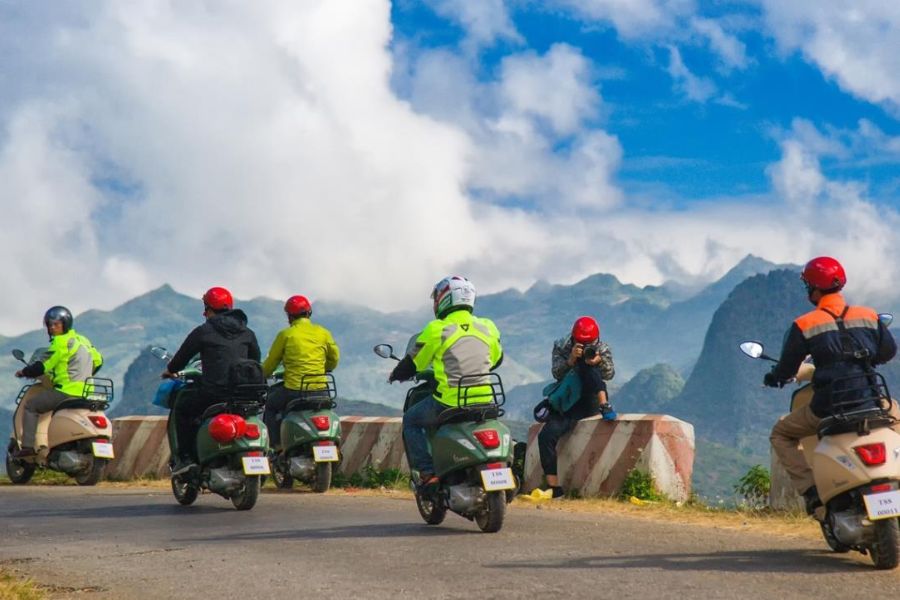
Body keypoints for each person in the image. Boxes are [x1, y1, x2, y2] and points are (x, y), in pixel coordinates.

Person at [765, 256, 899, 515]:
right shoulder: (869, 316)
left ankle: (812, 491)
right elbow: (888, 351)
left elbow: (787, 368)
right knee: (896, 417)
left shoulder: (804, 324)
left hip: (827, 407)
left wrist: (775, 377)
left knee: (781, 434)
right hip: (872, 400)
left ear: (813, 289)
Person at [389, 276, 503, 487]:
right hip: (486, 399)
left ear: (444, 300)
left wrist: (396, 374)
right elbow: (496, 359)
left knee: (411, 421)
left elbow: (414, 363)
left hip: (450, 402)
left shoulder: (437, 329)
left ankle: (427, 472)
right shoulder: (488, 326)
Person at [161, 286, 261, 473]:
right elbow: (256, 361)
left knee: (182, 407)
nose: (204, 313)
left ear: (209, 309)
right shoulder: (247, 332)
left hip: (214, 392)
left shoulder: (204, 331)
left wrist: (170, 371)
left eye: (205, 308)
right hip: (244, 394)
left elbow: (182, 357)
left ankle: (186, 458)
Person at [538, 316, 616, 498]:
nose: (587, 346)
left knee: (590, 369)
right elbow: (556, 374)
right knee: (546, 436)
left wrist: (598, 362)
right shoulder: (561, 346)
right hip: (568, 400)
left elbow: (610, 374)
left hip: (590, 399)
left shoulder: (602, 348)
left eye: (590, 343)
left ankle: (604, 404)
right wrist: (571, 360)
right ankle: (554, 488)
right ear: (574, 339)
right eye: (582, 343)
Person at [13, 306, 103, 458]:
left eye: (56, 324)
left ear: (65, 324)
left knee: (31, 406)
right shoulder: (83, 340)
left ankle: (28, 447)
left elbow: (42, 366)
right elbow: (98, 361)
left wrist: (24, 372)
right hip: (87, 392)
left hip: (65, 391)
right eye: (50, 324)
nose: (53, 327)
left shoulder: (60, 343)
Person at [261, 295, 340, 447]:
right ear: (309, 313)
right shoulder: (323, 333)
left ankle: (275, 446)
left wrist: (261, 375)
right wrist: (325, 368)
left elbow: (271, 363)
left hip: (294, 390)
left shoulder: (286, 335)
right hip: (321, 390)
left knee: (270, 405)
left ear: (289, 316)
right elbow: (334, 359)